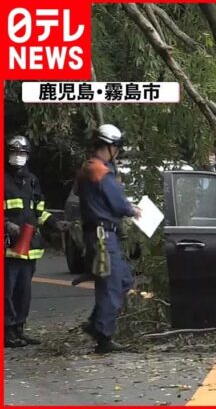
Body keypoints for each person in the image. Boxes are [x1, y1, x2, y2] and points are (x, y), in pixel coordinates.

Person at [75, 124, 141, 354]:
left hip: (101, 233)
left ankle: (96, 324)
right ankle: (103, 337)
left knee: (123, 280)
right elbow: (118, 203)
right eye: (118, 148)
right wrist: (132, 209)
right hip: (104, 236)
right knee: (111, 286)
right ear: (110, 147)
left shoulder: (90, 167)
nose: (119, 152)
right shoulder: (100, 171)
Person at [4, 135, 69, 347]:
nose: (18, 157)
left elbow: (39, 211)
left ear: (27, 156)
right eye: (15, 153)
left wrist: (55, 224)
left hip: (29, 247)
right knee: (7, 291)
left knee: (23, 291)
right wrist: (5, 224)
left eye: (22, 154)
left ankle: (19, 328)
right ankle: (7, 331)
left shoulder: (31, 180)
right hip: (8, 247)